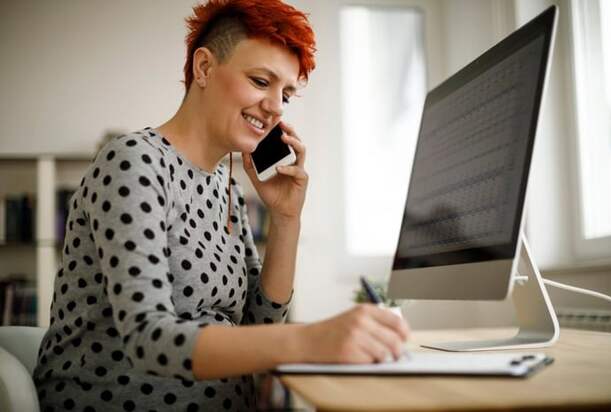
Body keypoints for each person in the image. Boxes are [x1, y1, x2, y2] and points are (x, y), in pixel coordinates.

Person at [33, 0, 411, 411]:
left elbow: (260, 326)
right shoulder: (132, 161)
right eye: (261, 81)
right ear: (204, 68)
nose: (276, 106)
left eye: (286, 93)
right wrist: (313, 339)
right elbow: (148, 339)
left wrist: (286, 219)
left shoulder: (223, 185)